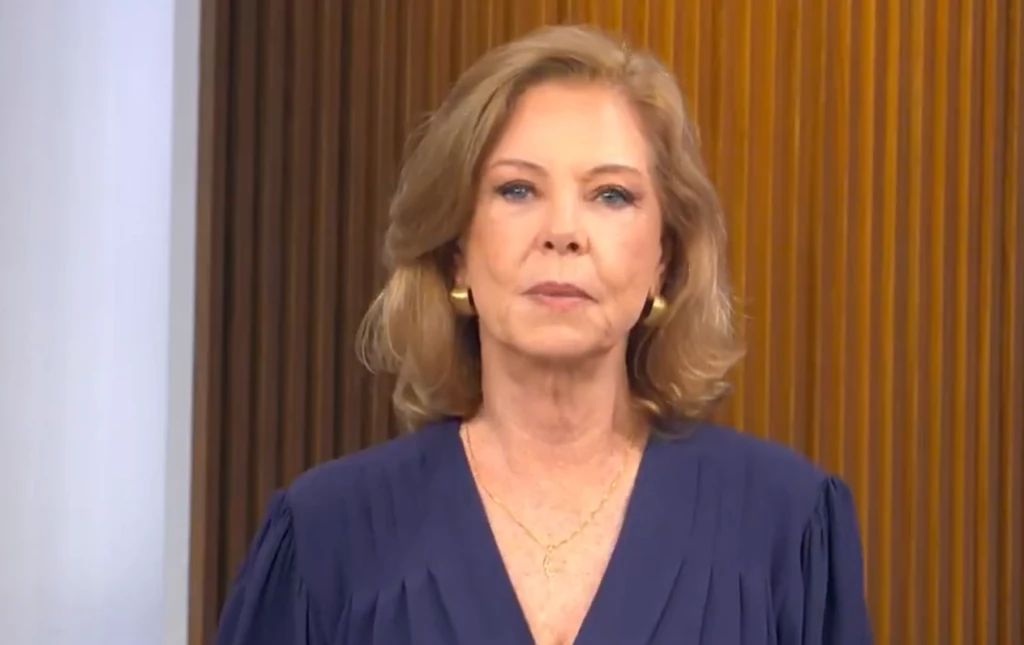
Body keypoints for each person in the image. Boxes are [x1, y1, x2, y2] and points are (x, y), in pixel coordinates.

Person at [214, 24, 873, 645]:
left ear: (664, 259)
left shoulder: (786, 527)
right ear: (456, 251)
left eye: (610, 195)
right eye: (518, 190)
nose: (562, 231)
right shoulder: (327, 536)